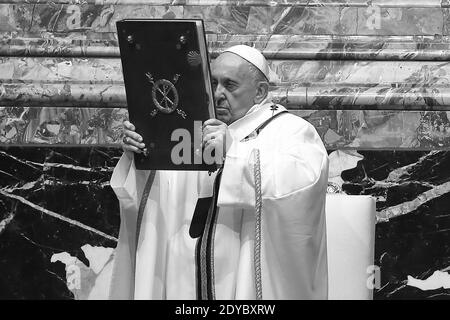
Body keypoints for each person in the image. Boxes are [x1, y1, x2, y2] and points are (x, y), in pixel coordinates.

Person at [109, 45, 329, 300]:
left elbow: (301, 186)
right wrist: (138, 155)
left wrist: (234, 154)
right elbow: (159, 198)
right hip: (183, 282)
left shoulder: (290, 131)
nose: (217, 94)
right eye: (212, 83)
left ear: (260, 92)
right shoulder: (192, 131)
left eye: (230, 85)